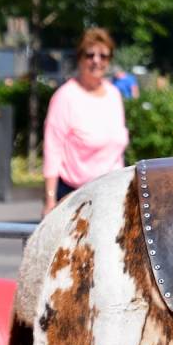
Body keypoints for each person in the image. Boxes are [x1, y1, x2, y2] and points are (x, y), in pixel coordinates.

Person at [41, 27, 128, 216]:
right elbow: (52, 150)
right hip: (75, 198)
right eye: (90, 55)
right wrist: (50, 200)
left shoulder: (114, 95)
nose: (96, 61)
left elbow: (117, 151)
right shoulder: (65, 96)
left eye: (103, 56)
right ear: (80, 58)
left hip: (111, 196)